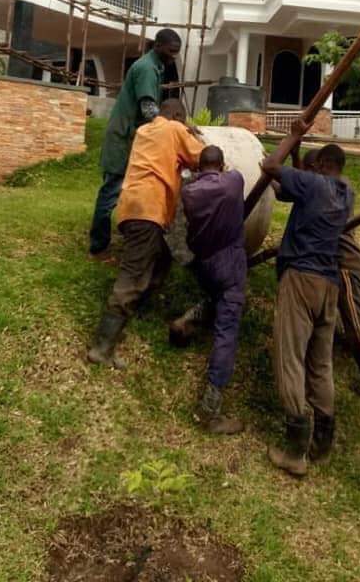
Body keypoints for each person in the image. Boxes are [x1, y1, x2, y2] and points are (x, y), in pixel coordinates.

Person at [87, 99, 203, 369]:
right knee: (132, 278)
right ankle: (101, 348)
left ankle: (141, 306)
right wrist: (192, 133)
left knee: (163, 257)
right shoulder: (175, 129)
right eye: (181, 119)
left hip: (131, 207)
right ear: (175, 116)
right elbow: (204, 156)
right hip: (149, 209)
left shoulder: (144, 131)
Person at [261, 139, 352, 478]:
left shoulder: (314, 184)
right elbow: (291, 189)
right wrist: (301, 159)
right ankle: (323, 443)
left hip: (301, 278)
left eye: (315, 166)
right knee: (320, 363)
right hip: (329, 284)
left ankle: (296, 449)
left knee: (290, 357)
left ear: (324, 165)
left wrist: (293, 136)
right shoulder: (346, 191)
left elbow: (270, 166)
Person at [288, 148, 360, 400]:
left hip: (344, 265)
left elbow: (298, 185)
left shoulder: (332, 189)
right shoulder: (333, 187)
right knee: (351, 324)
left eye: (312, 169)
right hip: (337, 266)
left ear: (319, 167)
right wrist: (297, 154)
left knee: (357, 327)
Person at [89, 28, 182, 261]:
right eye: (171, 52)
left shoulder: (156, 66)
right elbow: (148, 109)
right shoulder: (147, 69)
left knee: (126, 190)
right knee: (111, 191)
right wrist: (174, 128)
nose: (174, 57)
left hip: (131, 137)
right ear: (158, 46)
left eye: (177, 53)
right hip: (122, 138)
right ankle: (98, 247)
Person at [181, 145, 247, 436]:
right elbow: (236, 171)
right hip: (229, 264)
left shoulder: (189, 191)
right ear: (220, 165)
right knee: (226, 331)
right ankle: (210, 409)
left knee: (214, 298)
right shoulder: (233, 182)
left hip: (204, 264)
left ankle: (186, 321)